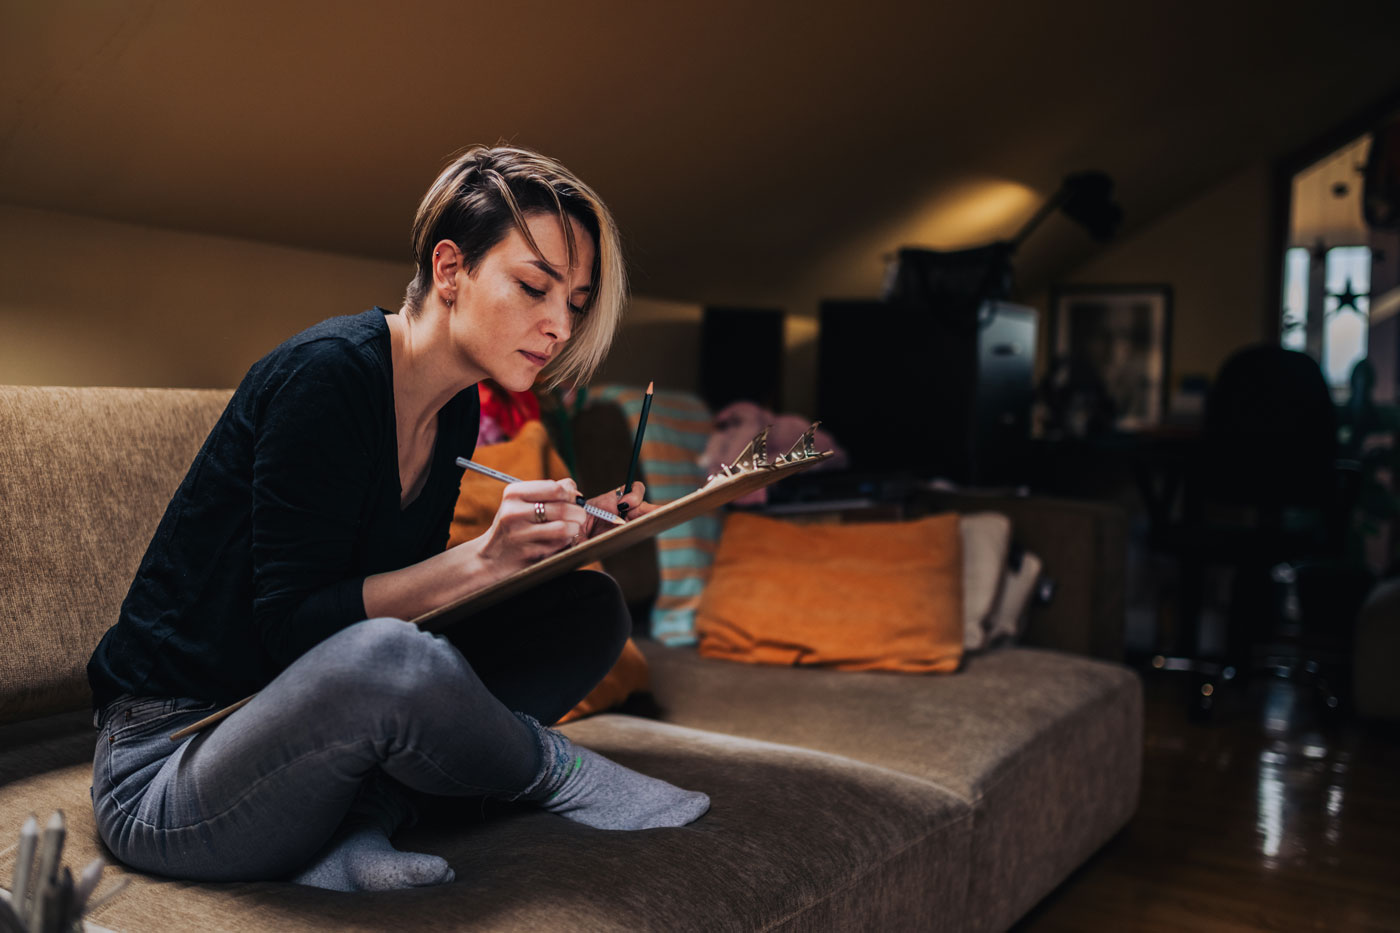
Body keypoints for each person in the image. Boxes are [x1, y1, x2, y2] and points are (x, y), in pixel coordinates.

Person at [85, 145, 710, 892]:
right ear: (450, 270)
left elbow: (392, 603)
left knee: (586, 607)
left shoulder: (454, 410)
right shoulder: (327, 376)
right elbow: (301, 632)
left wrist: (551, 538)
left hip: (311, 734)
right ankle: (552, 770)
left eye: (573, 303)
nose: (558, 326)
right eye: (533, 287)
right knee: (393, 658)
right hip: (172, 764)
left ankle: (357, 823)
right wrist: (484, 556)